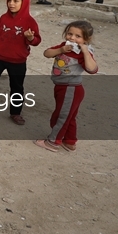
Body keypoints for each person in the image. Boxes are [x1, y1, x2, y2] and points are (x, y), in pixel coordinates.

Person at [35, 20, 98, 153]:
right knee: (69, 116)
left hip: (71, 88)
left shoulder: (83, 52)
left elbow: (92, 69)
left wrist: (85, 51)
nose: (72, 38)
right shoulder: (64, 46)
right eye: (70, 34)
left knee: (61, 116)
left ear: (86, 39)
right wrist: (61, 49)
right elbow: (47, 53)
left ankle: (53, 142)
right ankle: (69, 141)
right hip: (61, 87)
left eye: (78, 36)